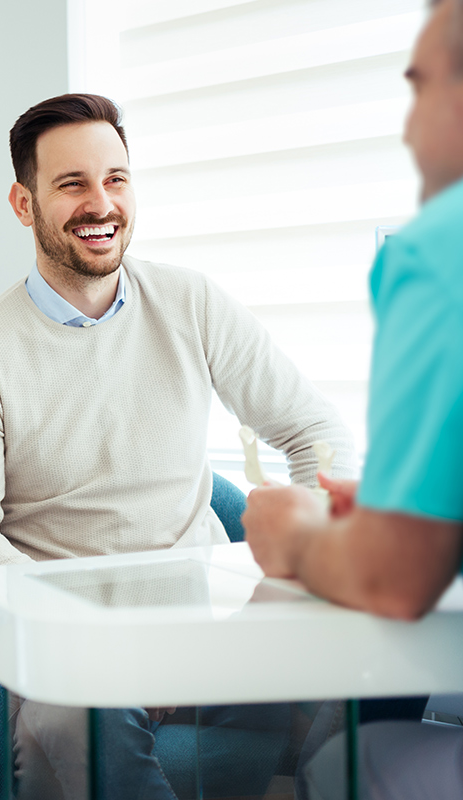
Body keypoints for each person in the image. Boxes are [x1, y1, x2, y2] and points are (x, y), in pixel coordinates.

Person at [0, 93, 357, 799]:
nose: (101, 204)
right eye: (72, 184)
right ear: (24, 204)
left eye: (116, 179)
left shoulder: (191, 303)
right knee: (75, 718)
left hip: (209, 639)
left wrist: (294, 562)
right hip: (75, 653)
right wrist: (98, 643)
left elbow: (315, 434)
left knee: (371, 640)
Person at [242, 1, 463, 797]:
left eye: (420, 87)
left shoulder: (439, 252)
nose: (407, 131)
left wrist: (294, 536)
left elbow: (395, 580)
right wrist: (411, 498)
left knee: (344, 758)